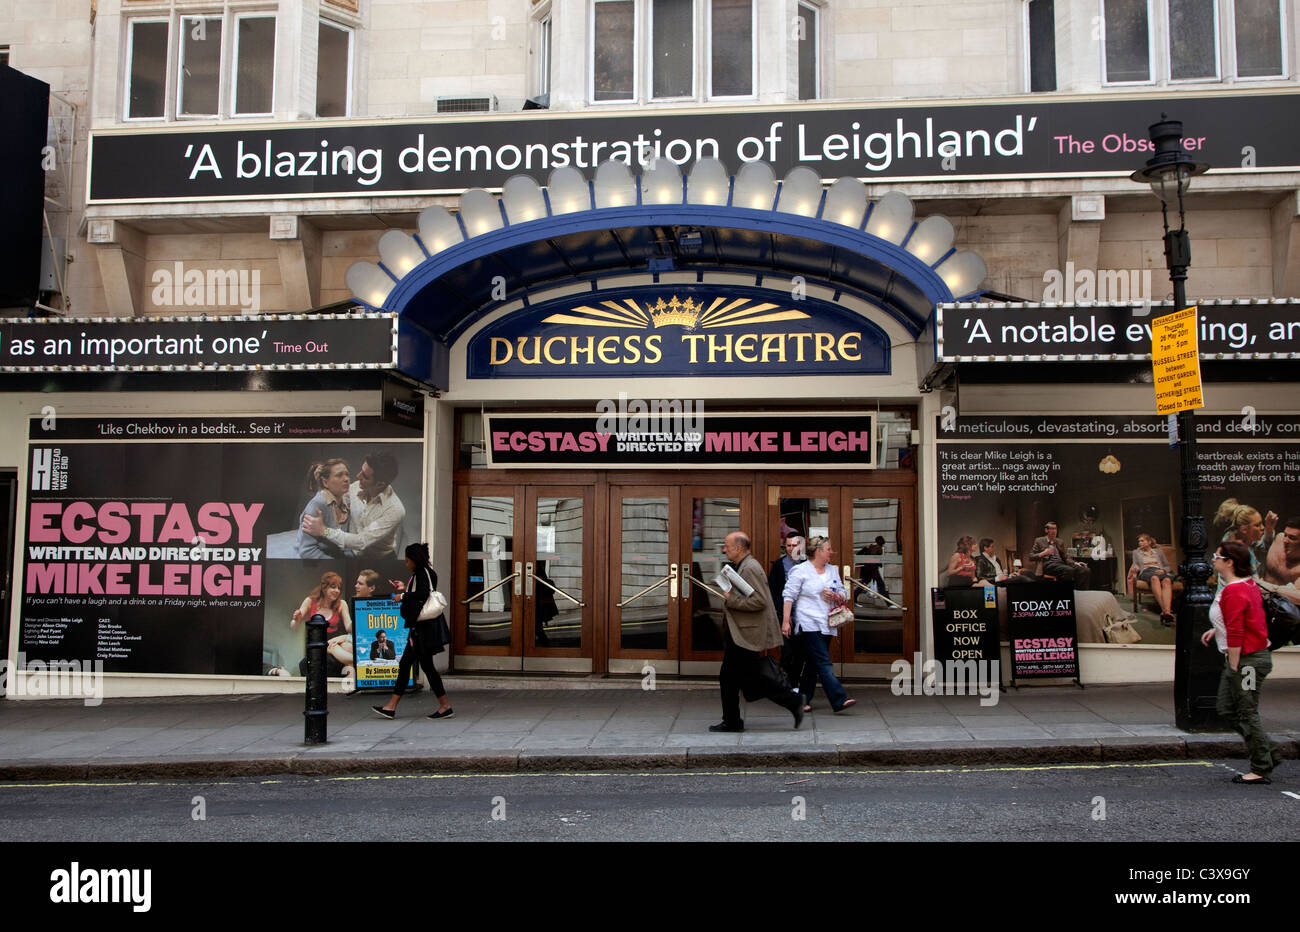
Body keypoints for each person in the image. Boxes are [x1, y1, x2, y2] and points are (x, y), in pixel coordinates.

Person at [1199, 540, 1278, 785]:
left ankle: (1261, 767)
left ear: (1229, 562)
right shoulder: (1245, 584)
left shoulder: (1235, 590)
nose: (1213, 559)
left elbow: (1237, 631)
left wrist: (1234, 666)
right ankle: (1267, 750)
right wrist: (1216, 631)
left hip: (1247, 662)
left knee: (1247, 712)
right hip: (1244, 658)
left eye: (1217, 556)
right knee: (1226, 708)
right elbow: (1245, 618)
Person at [710, 531, 803, 732]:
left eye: (727, 546)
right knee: (745, 679)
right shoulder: (743, 566)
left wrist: (730, 598)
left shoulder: (750, 568)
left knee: (734, 678)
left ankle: (734, 721)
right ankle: (791, 702)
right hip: (742, 633)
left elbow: (759, 601)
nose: (724, 549)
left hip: (746, 635)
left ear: (739, 548)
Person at [372, 543, 453, 721]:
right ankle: (391, 707)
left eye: (408, 560)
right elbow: (420, 592)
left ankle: (444, 706)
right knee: (412, 665)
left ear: (415, 560)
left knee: (424, 667)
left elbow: (423, 594)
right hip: (421, 629)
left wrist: (402, 596)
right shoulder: (426, 573)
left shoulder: (422, 574)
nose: (406, 564)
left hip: (421, 630)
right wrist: (404, 589)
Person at [783, 536, 857, 715]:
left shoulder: (832, 570)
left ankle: (802, 699)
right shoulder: (800, 571)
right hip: (808, 622)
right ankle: (839, 699)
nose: (832, 552)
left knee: (813, 664)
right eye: (828, 549)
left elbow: (842, 591)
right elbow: (789, 595)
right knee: (823, 662)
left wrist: (836, 595)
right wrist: (786, 620)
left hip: (828, 622)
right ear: (818, 551)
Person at [302, 451, 405, 560]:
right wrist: (321, 479)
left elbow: (361, 541)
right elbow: (332, 494)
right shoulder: (356, 487)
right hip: (352, 555)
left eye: (364, 476)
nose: (357, 476)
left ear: (380, 484)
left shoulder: (395, 510)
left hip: (380, 560)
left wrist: (324, 530)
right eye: (361, 470)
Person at [291, 571, 354, 677]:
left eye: (339, 588)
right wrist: (296, 620)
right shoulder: (310, 601)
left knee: (338, 657)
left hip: (332, 645)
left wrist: (357, 620)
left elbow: (349, 627)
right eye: (333, 587)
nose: (337, 591)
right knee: (305, 664)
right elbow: (293, 626)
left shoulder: (342, 604)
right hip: (315, 645)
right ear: (324, 587)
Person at [768, 534, 807, 689]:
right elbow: (773, 591)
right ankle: (788, 680)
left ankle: (794, 683)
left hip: (803, 615)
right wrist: (784, 613)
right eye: (788, 545)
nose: (791, 549)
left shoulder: (808, 564)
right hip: (784, 615)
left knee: (800, 653)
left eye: (794, 545)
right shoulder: (779, 565)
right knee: (787, 652)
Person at [297, 459, 352, 559]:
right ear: (325, 482)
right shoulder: (317, 505)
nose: (346, 479)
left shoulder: (347, 501)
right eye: (339, 475)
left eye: (347, 474)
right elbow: (307, 551)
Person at [1214, 498, 1277, 576]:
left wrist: (1269, 528)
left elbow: (1265, 546)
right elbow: (1249, 583)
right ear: (1244, 529)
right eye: (1257, 525)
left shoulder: (1238, 535)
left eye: (1262, 523)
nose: (1262, 528)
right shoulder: (1235, 553)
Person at [1127, 533, 1175, 625]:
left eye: (1142, 541)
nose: (1140, 543)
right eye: (1139, 541)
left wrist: (1163, 570)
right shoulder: (1136, 552)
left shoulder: (1159, 552)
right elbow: (1135, 564)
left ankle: (1167, 612)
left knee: (1167, 580)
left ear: (1149, 542)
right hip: (1146, 571)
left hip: (1159, 570)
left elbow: (1167, 566)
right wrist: (1135, 568)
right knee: (1154, 578)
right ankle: (1165, 610)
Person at [1029, 521, 1089, 587]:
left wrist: (1075, 563)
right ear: (1046, 530)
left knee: (1084, 570)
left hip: (1061, 564)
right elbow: (1031, 556)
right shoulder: (1039, 540)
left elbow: (1065, 557)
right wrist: (1043, 553)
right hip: (1048, 564)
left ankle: (1080, 592)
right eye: (1052, 529)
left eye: (1055, 529)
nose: (1054, 531)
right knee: (1068, 570)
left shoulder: (1059, 541)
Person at [1263, 517, 1300, 587]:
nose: (1285, 540)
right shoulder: (1279, 538)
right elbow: (1262, 546)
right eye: (1285, 535)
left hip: (1284, 596)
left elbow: (1296, 595)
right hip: (1259, 592)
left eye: (1292, 538)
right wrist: (1268, 529)